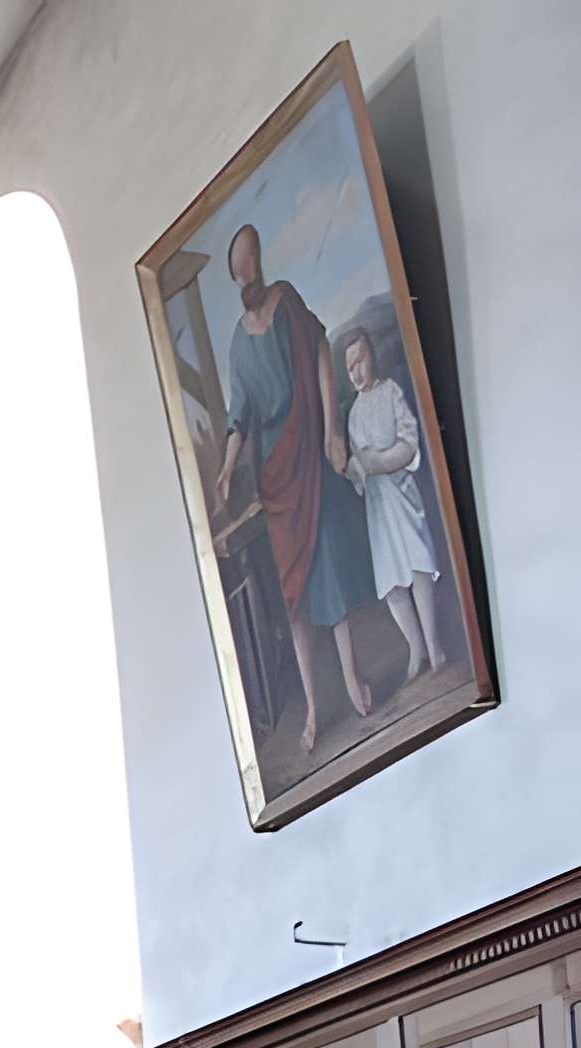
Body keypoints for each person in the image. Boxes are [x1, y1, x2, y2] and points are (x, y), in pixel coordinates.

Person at [214, 222, 380, 750]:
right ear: (235, 278)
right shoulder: (239, 346)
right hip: (277, 478)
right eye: (241, 270)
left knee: (327, 567)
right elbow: (239, 416)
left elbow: (320, 357)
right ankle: (312, 708)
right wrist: (224, 470)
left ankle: (351, 676)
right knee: (294, 596)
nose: (250, 276)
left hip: (308, 450)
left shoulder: (287, 303)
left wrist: (332, 429)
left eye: (253, 264)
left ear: (260, 265)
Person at [337, 327, 454, 692]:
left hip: (402, 493)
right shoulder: (353, 414)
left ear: (371, 356)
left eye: (360, 361)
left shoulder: (391, 392)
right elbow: (359, 466)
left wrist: (379, 462)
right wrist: (351, 468)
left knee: (418, 564)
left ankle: (434, 646)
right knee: (391, 583)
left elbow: (408, 443)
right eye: (349, 367)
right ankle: (415, 648)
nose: (356, 372)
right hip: (378, 507)